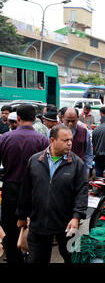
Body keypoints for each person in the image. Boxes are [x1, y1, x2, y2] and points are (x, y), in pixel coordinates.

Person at [16, 124, 88, 264]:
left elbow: (82, 192)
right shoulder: (35, 161)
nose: (69, 143)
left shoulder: (77, 164)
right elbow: (26, 191)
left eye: (71, 140)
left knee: (72, 257)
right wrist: (22, 215)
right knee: (37, 259)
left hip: (66, 223)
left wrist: (76, 217)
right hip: (39, 221)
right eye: (65, 140)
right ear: (52, 140)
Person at [0, 104, 49, 263]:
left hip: (11, 189)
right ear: (35, 119)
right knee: (33, 228)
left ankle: (15, 260)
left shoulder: (5, 138)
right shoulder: (42, 140)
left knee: (10, 229)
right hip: (35, 191)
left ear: (18, 118)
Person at [63, 107, 93, 174]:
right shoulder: (55, 132)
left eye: (73, 121)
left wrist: (87, 170)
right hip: (61, 170)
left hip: (79, 170)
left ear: (77, 119)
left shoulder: (84, 132)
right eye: (68, 121)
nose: (70, 124)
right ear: (63, 118)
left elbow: (88, 153)